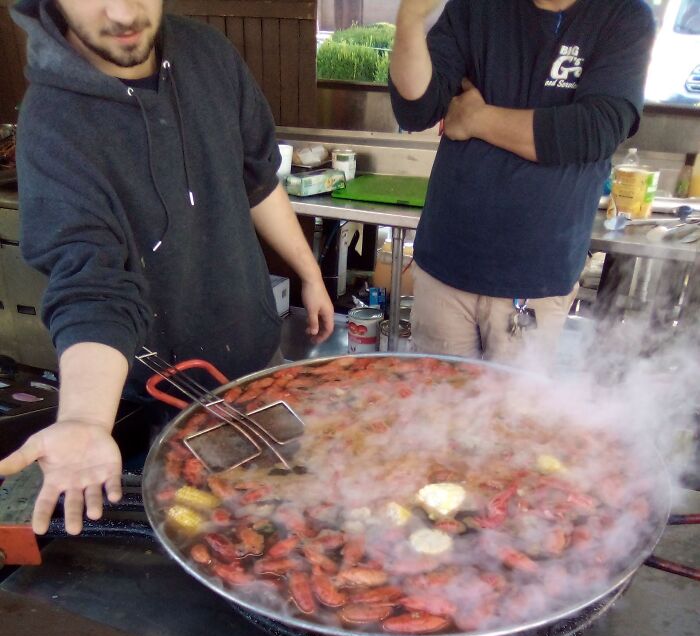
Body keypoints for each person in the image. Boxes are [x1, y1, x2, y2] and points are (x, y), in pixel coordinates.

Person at [0, 0, 334, 535]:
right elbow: (91, 283)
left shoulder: (208, 54)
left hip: (256, 359)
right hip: (160, 391)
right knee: (220, 537)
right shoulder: (53, 124)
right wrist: (86, 419)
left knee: (299, 515)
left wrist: (309, 274)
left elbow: (258, 177)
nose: (122, 11)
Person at [389, 0, 655, 364]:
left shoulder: (623, 15)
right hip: (447, 265)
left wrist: (478, 120)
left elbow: (595, 130)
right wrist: (409, 19)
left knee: (513, 418)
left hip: (536, 277)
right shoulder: (475, 8)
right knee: (436, 410)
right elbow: (416, 108)